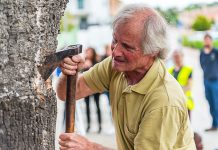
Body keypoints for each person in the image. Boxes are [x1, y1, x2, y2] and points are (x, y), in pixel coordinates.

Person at [57, 4, 196, 149]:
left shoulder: (163, 101)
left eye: (127, 47)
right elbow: (66, 94)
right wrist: (71, 71)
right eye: (114, 40)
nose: (115, 52)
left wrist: (89, 147)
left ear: (153, 51)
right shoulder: (115, 66)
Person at [200, 33, 218, 132]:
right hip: (206, 81)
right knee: (210, 103)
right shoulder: (202, 52)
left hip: (215, 82)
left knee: (216, 104)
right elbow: (201, 64)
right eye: (205, 40)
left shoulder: (215, 52)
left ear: (211, 41)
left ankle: (215, 124)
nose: (207, 41)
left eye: (208, 40)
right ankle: (214, 124)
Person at [168, 50, 194, 119]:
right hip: (173, 103)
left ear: (182, 57)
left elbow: (189, 86)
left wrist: (177, 93)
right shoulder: (169, 71)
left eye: (178, 56)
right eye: (174, 57)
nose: (176, 59)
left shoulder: (188, 69)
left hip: (185, 101)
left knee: (186, 125)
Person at [83, 47, 102, 133]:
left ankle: (99, 126)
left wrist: (91, 66)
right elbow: (82, 75)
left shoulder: (96, 62)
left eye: (90, 52)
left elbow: (98, 74)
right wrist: (84, 66)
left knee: (97, 106)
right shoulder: (84, 62)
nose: (88, 54)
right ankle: (88, 125)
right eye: (87, 52)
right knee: (87, 107)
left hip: (95, 88)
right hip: (86, 87)